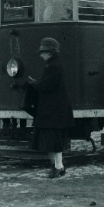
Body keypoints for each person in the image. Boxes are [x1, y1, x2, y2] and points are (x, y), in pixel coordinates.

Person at [26, 37, 75, 178]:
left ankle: (58, 166)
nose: (41, 55)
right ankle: (57, 166)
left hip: (53, 111)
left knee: (53, 140)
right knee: (53, 140)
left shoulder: (53, 66)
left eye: (43, 52)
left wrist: (34, 83)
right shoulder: (55, 65)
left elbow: (47, 86)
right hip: (55, 110)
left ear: (50, 52)